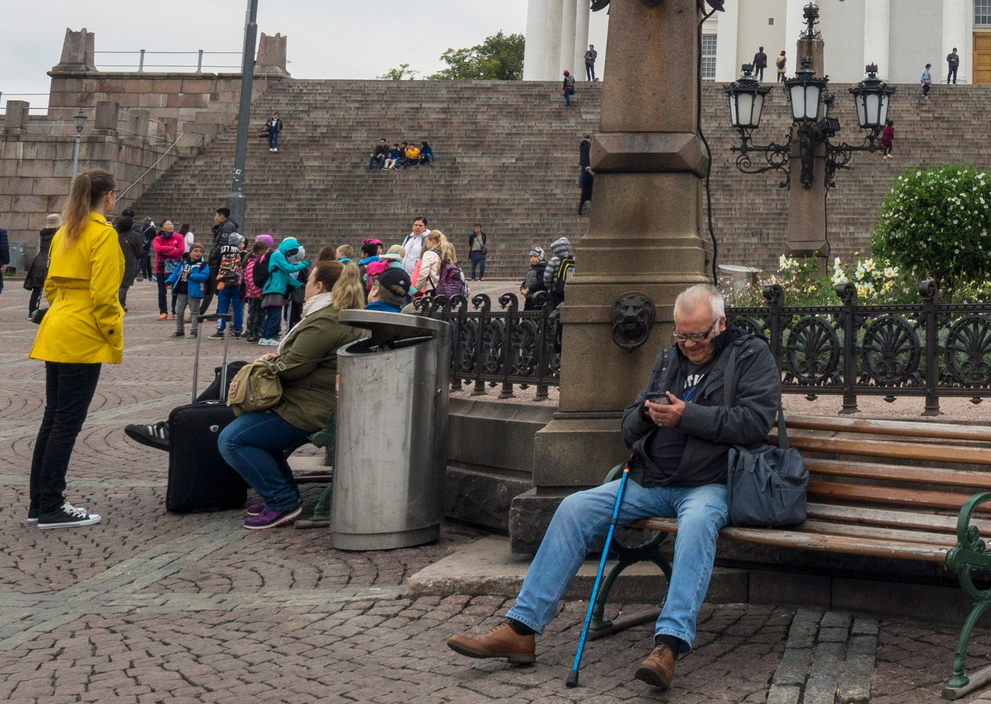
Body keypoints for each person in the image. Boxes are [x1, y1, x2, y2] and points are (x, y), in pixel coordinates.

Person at [446, 283, 780, 686]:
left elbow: (755, 422)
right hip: (651, 480)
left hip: (710, 483)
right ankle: (521, 631)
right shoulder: (668, 359)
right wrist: (643, 414)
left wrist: (686, 416)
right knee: (574, 508)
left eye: (699, 334)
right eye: (681, 334)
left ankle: (668, 645)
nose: (689, 343)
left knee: (697, 524)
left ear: (721, 323)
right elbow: (627, 425)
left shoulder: (749, 356)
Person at [218, 259, 367, 530]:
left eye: (308, 280)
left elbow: (293, 369)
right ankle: (282, 493)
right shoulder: (337, 313)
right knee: (253, 434)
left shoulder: (325, 320)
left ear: (320, 286)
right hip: (314, 400)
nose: (304, 285)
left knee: (232, 440)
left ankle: (282, 501)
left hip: (311, 406)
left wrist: (268, 364)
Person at [27, 169, 124, 528]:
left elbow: (49, 285)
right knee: (67, 421)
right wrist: (113, 334)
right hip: (83, 330)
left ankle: (39, 501)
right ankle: (52, 504)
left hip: (58, 323)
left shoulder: (64, 232)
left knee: (53, 418)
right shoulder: (102, 235)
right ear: (109, 196)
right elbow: (104, 294)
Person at [258, 236, 309, 344]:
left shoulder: (280, 257)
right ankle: (267, 337)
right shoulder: (277, 255)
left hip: (276, 289)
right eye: (291, 252)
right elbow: (288, 269)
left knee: (272, 314)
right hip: (274, 289)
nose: (290, 255)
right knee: (274, 314)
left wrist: (299, 284)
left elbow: (287, 277)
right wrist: (304, 264)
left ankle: (265, 336)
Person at [151, 222, 187, 319]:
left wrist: (166, 253)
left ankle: (175, 311)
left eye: (171, 224)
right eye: (167, 225)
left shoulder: (179, 237)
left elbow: (181, 251)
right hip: (161, 268)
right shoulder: (158, 239)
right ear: (162, 228)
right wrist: (172, 248)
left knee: (175, 290)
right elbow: (158, 249)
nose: (170, 226)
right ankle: (163, 311)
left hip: (176, 268)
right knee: (162, 291)